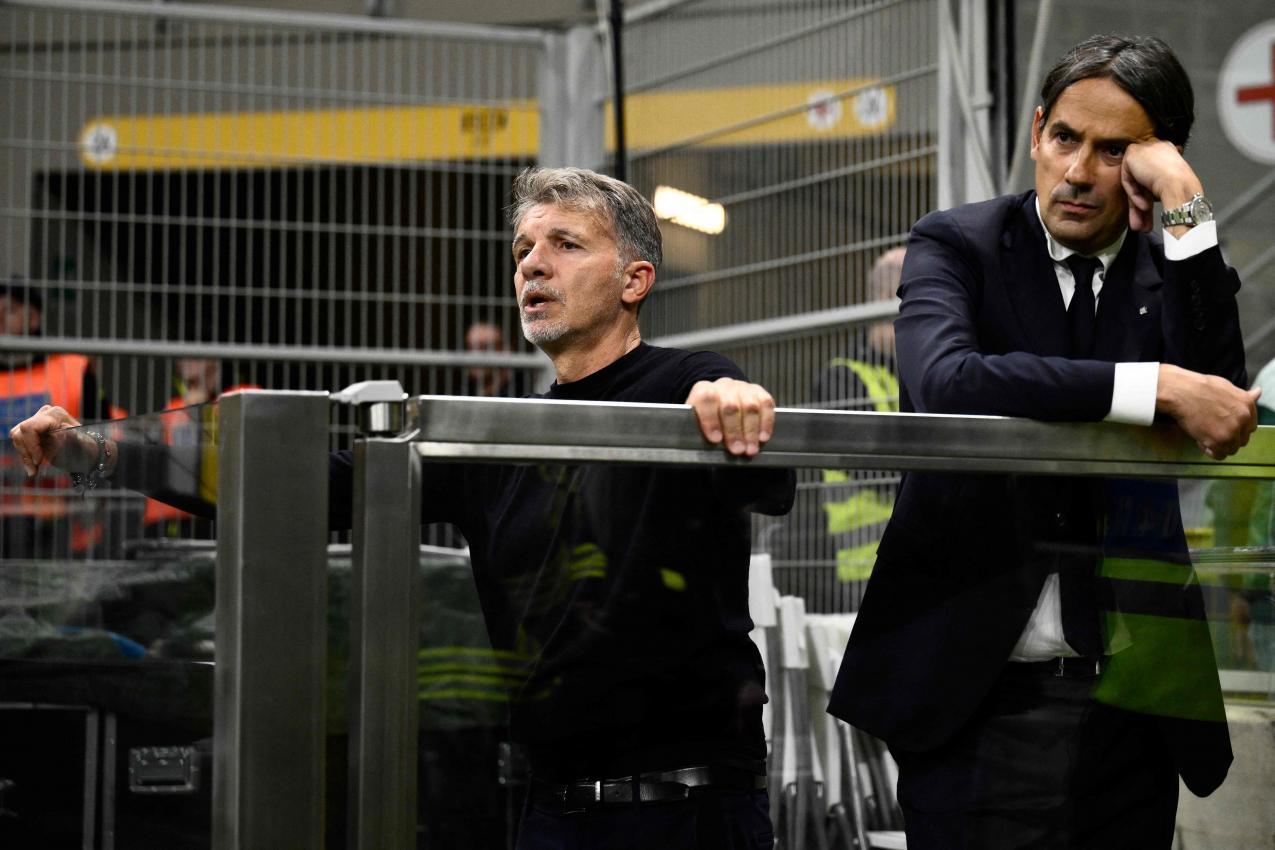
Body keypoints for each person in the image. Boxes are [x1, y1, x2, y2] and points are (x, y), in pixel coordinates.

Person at [12, 167, 795, 850]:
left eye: (565, 243)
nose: (532, 265)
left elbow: (769, 480)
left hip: (690, 809)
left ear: (634, 280)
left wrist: (733, 403)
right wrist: (104, 454)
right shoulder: (497, 442)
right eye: (522, 249)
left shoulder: (682, 385)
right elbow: (305, 486)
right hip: (550, 809)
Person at [828, 35, 1260, 849]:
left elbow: (1222, 404)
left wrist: (1185, 200)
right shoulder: (959, 244)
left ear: (1152, 159)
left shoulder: (1167, 267)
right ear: (1035, 131)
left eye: (1115, 150)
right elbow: (946, 382)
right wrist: (1151, 387)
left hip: (1133, 708)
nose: (1077, 171)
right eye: (1064, 138)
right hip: (974, 697)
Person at [463, 320, 535, 397]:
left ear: (507, 350)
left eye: (485, 347)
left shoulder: (521, 395)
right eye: (470, 347)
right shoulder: (464, 391)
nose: (475, 355)